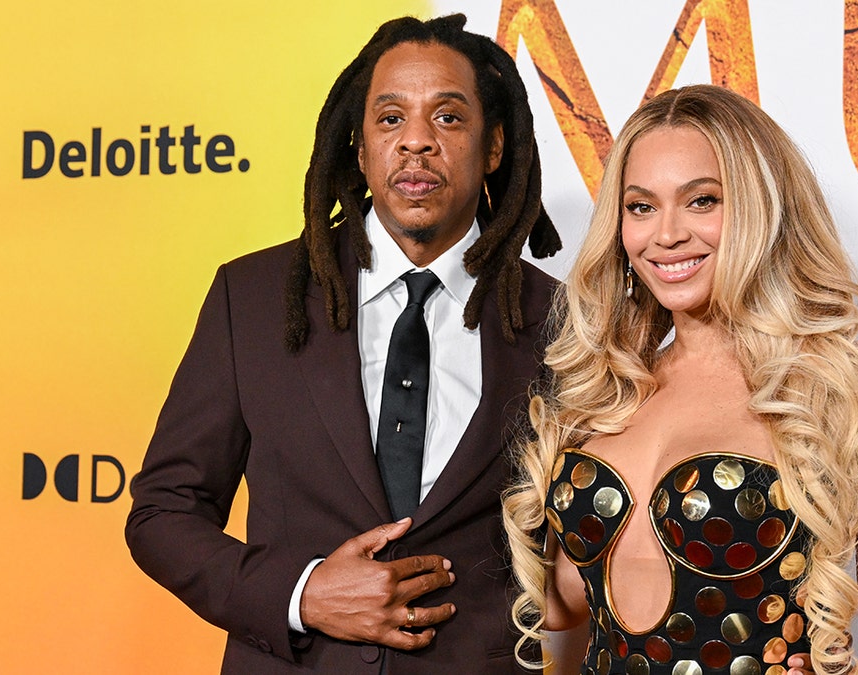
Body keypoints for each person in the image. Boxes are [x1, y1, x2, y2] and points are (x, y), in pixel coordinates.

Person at [126, 14, 561, 674]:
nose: (416, 142)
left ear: (494, 147)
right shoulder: (251, 297)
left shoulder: (562, 320)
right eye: (390, 119)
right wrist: (302, 595)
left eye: (448, 118)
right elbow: (163, 513)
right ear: (358, 147)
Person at [503, 85, 858, 674]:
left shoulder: (847, 384)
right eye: (641, 206)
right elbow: (566, 607)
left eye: (702, 201)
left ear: (762, 206)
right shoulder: (608, 388)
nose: (667, 234)